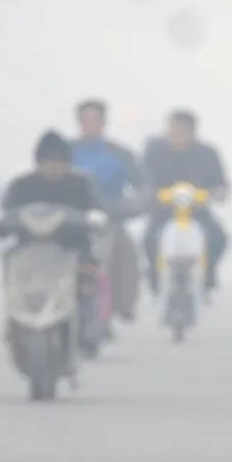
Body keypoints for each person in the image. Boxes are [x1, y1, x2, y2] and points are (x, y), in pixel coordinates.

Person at [0, 130, 107, 348]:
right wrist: (1, 222)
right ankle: (14, 322)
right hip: (28, 249)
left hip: (71, 248)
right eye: (47, 162)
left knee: (87, 273)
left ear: (68, 163)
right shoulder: (22, 185)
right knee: (9, 262)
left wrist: (92, 219)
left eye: (59, 162)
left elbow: (96, 211)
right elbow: (5, 215)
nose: (53, 167)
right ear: (37, 162)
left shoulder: (81, 184)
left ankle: (86, 323)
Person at [70, 99, 144, 324]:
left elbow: (141, 186)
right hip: (72, 219)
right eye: (86, 120)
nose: (90, 124)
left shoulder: (120, 154)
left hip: (109, 218)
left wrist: (131, 205)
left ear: (103, 122)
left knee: (127, 255)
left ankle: (122, 306)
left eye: (95, 120)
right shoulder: (65, 152)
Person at [142, 109, 229, 294]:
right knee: (149, 239)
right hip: (163, 212)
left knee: (219, 238)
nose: (177, 135)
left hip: (197, 212)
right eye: (174, 130)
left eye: (183, 131)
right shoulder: (154, 150)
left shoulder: (207, 154)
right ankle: (154, 274)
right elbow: (144, 178)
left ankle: (208, 273)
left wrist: (218, 193)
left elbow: (220, 183)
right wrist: (149, 194)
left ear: (192, 132)